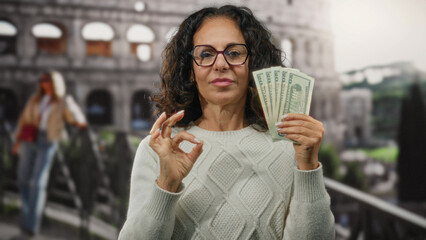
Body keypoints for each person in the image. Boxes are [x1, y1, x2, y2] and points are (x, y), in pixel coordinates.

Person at [119, 5, 335, 240]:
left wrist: (309, 166)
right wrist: (166, 184)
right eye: (205, 54)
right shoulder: (157, 151)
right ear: (190, 69)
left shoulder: (289, 147)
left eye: (234, 53)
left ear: (251, 64)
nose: (220, 64)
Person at [12, 71, 87, 237]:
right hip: (29, 139)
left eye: (48, 80)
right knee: (23, 179)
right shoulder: (35, 99)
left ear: (55, 83)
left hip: (48, 141)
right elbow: (24, 119)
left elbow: (76, 116)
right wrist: (17, 141)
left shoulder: (62, 101)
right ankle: (26, 218)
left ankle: (31, 225)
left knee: (37, 182)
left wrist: (80, 123)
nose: (44, 83)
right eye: (42, 80)